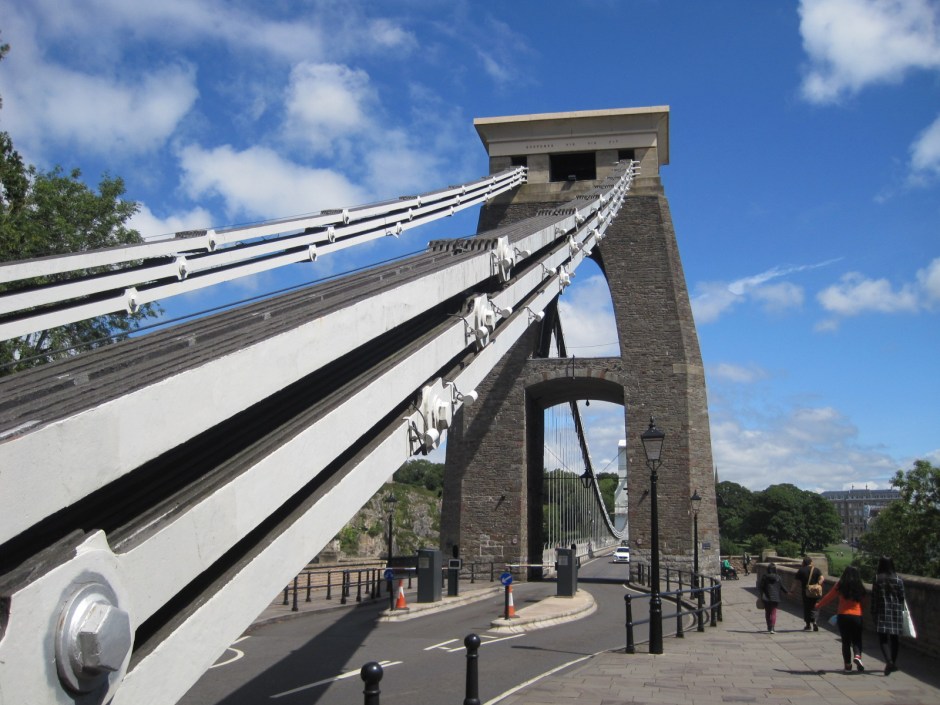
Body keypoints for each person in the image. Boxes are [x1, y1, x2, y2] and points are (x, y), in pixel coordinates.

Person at [816, 565, 867, 672]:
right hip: (857, 615)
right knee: (857, 639)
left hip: (843, 616)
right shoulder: (859, 585)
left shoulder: (840, 585)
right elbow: (864, 601)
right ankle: (857, 656)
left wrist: (819, 605)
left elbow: (829, 596)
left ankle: (847, 665)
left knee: (846, 641)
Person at [871, 556, 905, 675]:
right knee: (895, 639)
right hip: (896, 612)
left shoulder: (877, 579)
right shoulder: (898, 579)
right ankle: (892, 663)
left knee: (883, 639)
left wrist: (873, 611)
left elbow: (874, 597)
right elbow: (902, 597)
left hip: (882, 611)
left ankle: (889, 661)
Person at [757, 562, 788, 633]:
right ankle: (772, 628)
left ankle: (769, 626)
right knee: (773, 612)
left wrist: (761, 595)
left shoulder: (764, 577)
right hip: (775, 597)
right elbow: (782, 586)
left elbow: (761, 587)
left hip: (766, 597)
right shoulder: (778, 577)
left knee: (767, 613)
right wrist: (788, 593)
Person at [795, 556, 823, 631]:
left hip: (806, 592)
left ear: (804, 563)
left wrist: (792, 591)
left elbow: (795, 582)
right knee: (815, 606)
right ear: (811, 562)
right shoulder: (816, 570)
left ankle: (808, 625)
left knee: (807, 608)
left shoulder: (801, 570)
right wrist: (817, 585)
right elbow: (822, 578)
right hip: (816, 592)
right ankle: (815, 621)